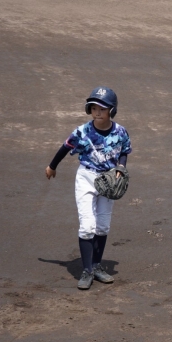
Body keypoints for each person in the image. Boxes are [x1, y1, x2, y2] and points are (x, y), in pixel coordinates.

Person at [45, 87, 132, 290]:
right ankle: (87, 270)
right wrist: (52, 166)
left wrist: (121, 168)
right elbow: (65, 147)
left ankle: (97, 266)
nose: (97, 112)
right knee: (87, 226)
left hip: (108, 180)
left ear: (112, 110)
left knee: (102, 226)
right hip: (86, 178)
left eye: (102, 108)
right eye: (93, 108)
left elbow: (124, 151)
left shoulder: (120, 132)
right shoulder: (82, 131)